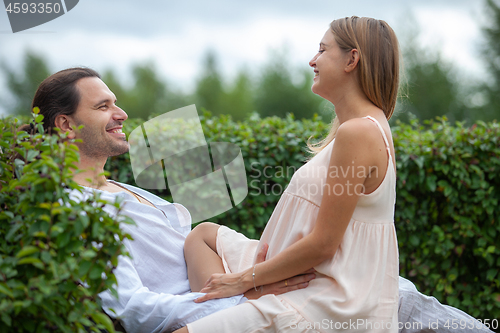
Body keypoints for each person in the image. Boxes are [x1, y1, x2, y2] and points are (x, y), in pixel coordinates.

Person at [23, 66, 491, 333]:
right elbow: (134, 308)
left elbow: (199, 244)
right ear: (65, 124)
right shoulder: (76, 209)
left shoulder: (128, 190)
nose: (121, 112)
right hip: (246, 307)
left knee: (402, 296)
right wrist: (249, 294)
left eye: (115, 101)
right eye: (103, 106)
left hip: (266, 284)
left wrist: (255, 278)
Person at [174, 17, 492, 333]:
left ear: (352, 59)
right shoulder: (359, 128)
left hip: (322, 297)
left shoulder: (360, 132)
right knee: (202, 236)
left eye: (323, 50)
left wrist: (244, 281)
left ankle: (240, 307)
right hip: (289, 273)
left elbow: (324, 244)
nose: (313, 60)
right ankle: (235, 308)